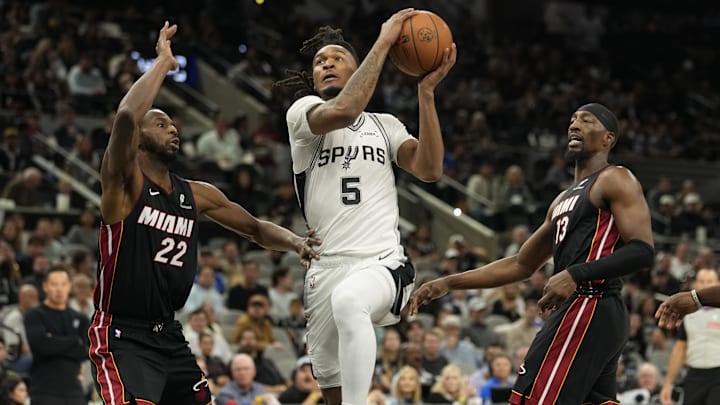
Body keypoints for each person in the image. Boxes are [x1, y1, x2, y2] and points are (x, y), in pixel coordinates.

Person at [87, 21, 320, 405]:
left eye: (174, 124)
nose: (173, 129)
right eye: (161, 123)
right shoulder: (124, 185)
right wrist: (164, 63)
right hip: (121, 334)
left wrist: (295, 242)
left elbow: (256, 229)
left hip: (169, 334)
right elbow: (128, 114)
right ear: (140, 139)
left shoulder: (197, 194)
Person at [411, 103, 655, 405]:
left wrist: (575, 274)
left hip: (591, 302)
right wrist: (450, 282)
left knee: (532, 399)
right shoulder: (562, 199)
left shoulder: (615, 178)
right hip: (585, 311)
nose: (574, 125)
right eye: (572, 119)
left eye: (586, 120)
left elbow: (642, 251)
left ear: (608, 138)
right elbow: (521, 263)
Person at [275, 8, 456, 405]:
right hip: (325, 268)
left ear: (360, 70)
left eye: (338, 58)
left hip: (381, 262)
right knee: (333, 392)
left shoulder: (385, 125)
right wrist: (384, 41)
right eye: (320, 61)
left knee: (351, 300)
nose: (326, 64)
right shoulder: (302, 114)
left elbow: (429, 169)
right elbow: (344, 110)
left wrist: (426, 95)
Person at [24, 265, 90, 405]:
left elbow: (85, 351)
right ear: (45, 286)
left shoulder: (81, 319)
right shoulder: (34, 315)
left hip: (75, 393)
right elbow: (41, 346)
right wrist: (74, 341)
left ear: (69, 287)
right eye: (54, 284)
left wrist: (54, 341)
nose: (59, 289)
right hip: (44, 391)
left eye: (63, 284)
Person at [659, 268, 720, 405]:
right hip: (694, 374)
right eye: (702, 282)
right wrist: (668, 383)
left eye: (710, 282)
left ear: (718, 284)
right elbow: (680, 348)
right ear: (696, 285)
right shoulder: (688, 314)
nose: (705, 285)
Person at [655, 284, 720, 329]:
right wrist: (694, 298)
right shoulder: (689, 317)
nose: (705, 286)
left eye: (709, 281)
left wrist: (694, 298)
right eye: (701, 281)